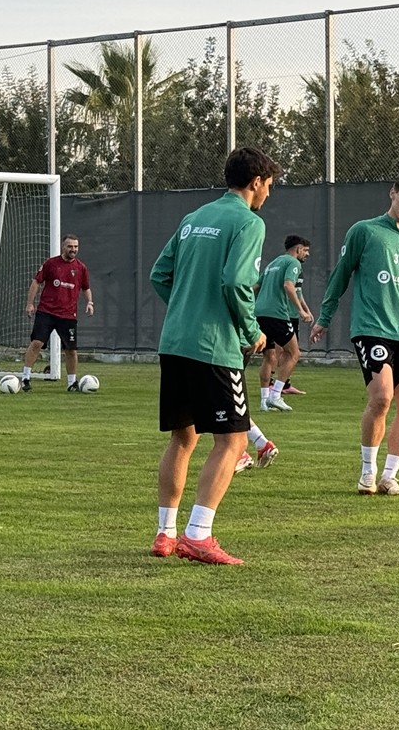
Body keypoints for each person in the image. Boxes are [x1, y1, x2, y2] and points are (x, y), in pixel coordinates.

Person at [149, 146, 282, 565]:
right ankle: (198, 535)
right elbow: (235, 283)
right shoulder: (249, 222)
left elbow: (159, 274)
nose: (268, 196)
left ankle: (164, 533)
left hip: (175, 342)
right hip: (214, 347)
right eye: (269, 186)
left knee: (183, 438)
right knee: (233, 441)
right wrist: (251, 330)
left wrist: (188, 306)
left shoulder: (194, 218)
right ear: (257, 182)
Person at [310, 170, 399, 497]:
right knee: (382, 397)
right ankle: (367, 472)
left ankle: (389, 476)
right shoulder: (364, 231)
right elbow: (340, 276)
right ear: (392, 193)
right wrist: (324, 316)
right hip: (371, 329)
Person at [20, 234, 94, 391]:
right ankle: (25, 378)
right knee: (37, 343)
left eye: (76, 246)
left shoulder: (81, 268)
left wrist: (89, 302)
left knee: (71, 349)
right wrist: (30, 304)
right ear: (63, 247)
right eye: (70, 246)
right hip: (46, 311)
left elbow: (86, 288)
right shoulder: (51, 264)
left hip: (68, 315)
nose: (73, 249)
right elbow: (36, 282)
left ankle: (72, 383)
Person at [255, 235, 314, 412]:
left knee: (269, 357)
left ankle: (264, 401)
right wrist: (301, 311)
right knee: (294, 354)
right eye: (305, 250)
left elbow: (255, 286)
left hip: (259, 313)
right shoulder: (293, 263)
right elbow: (289, 286)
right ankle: (276, 395)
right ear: (297, 249)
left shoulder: (273, 263)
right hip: (277, 315)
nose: (307, 254)